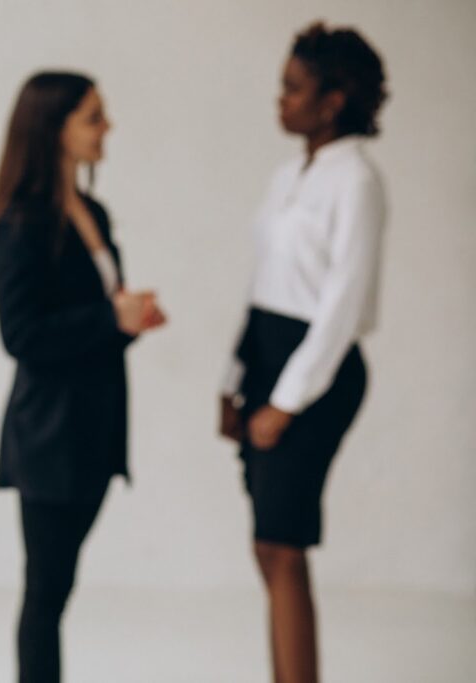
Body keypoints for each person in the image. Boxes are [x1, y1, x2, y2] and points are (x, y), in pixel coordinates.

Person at [0, 72, 166, 682]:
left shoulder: (92, 212)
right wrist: (109, 315)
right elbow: (22, 336)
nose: (106, 127)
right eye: (93, 116)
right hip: (51, 438)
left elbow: (87, 323)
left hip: (93, 430)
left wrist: (128, 319)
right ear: (53, 129)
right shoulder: (23, 223)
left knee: (56, 590)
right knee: (46, 596)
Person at [219, 22, 389, 683]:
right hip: (265, 358)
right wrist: (231, 380)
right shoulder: (290, 172)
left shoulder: (358, 182)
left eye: (293, 88)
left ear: (335, 99)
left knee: (281, 547)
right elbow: (263, 282)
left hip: (315, 372)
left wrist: (286, 403)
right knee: (269, 546)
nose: (280, 99)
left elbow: (342, 309)